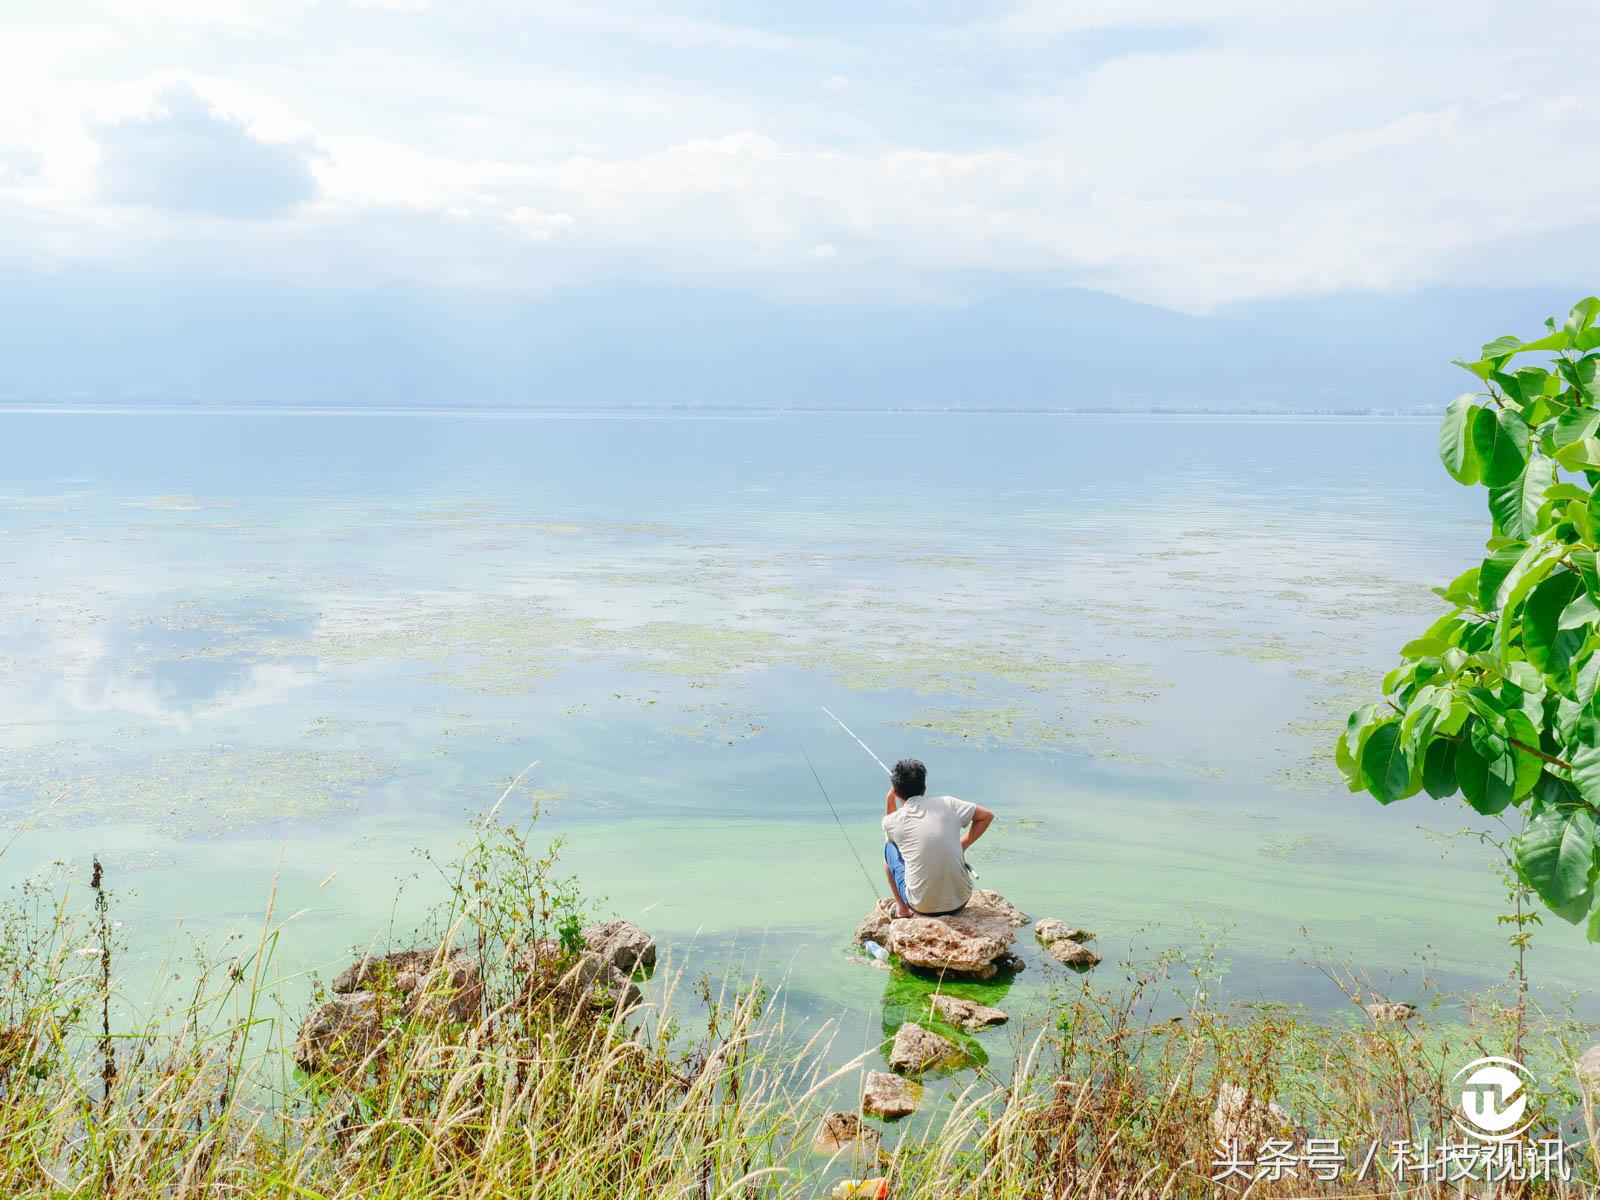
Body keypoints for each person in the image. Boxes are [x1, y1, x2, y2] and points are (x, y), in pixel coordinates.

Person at [881, 758, 993, 918]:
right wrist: (964, 843)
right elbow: (986, 816)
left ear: (896, 792)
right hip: (962, 900)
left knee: (888, 851)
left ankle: (903, 909)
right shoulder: (949, 803)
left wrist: (889, 799)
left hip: (922, 907)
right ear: (924, 788)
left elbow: (892, 834)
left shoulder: (891, 821)